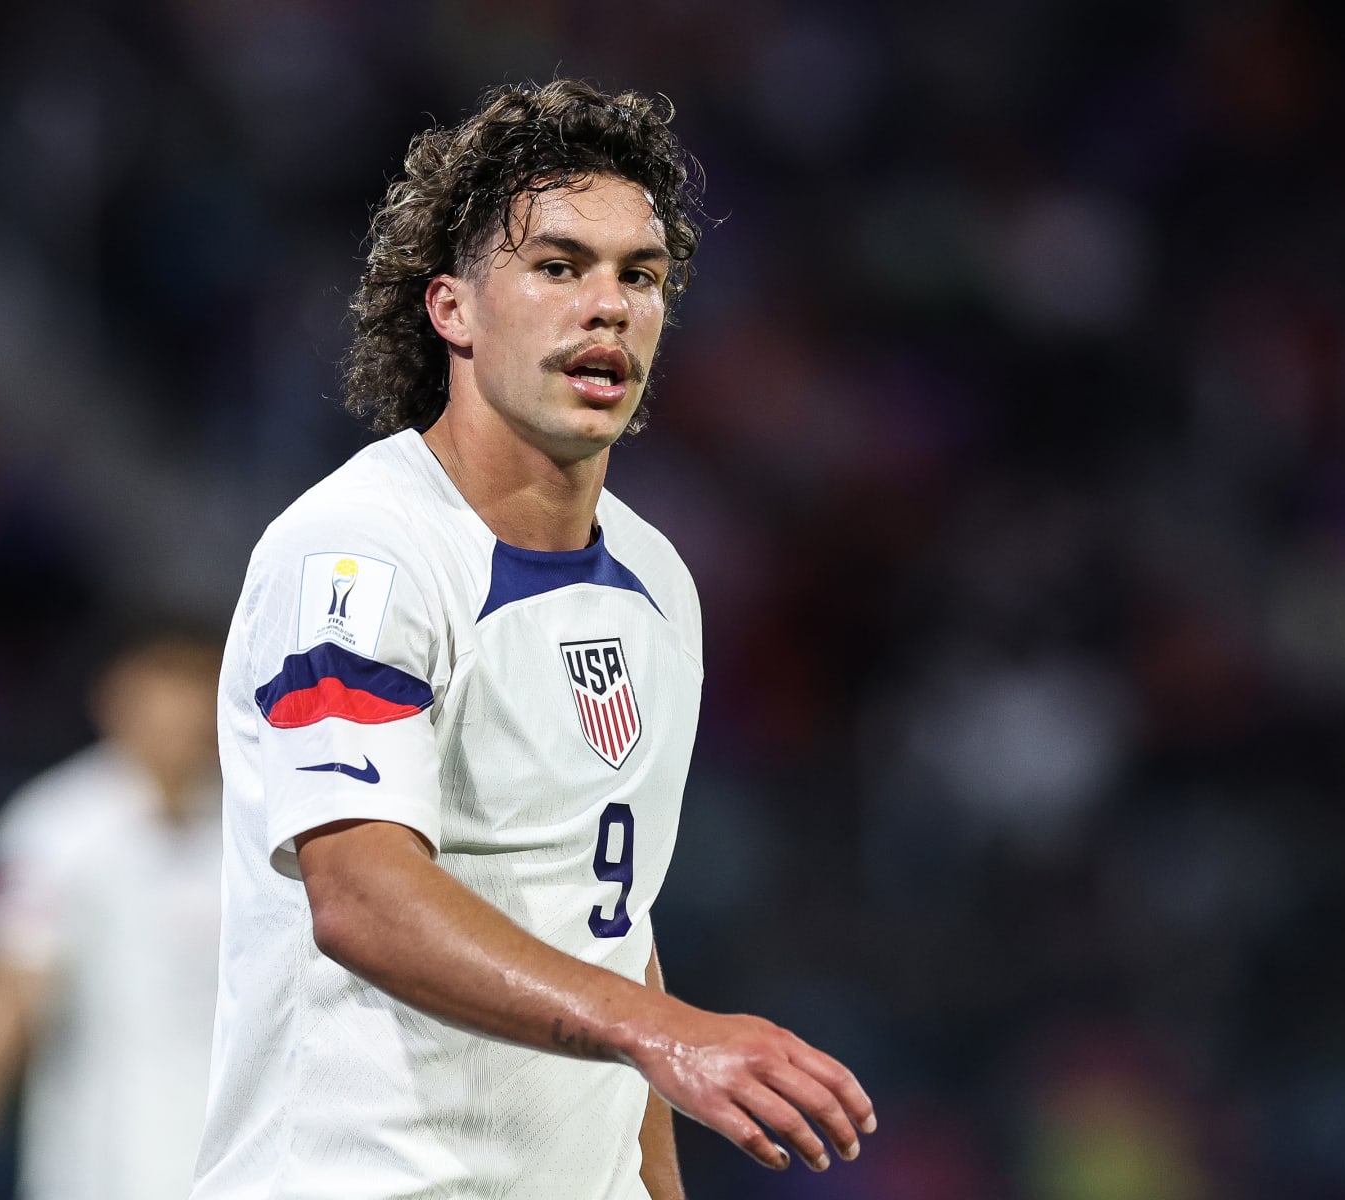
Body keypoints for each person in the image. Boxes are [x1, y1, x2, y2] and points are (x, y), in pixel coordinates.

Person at [193, 80, 875, 1200]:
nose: (608, 306)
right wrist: (664, 1030)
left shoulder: (658, 582)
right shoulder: (359, 555)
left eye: (639, 276)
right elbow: (359, 894)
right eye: (560, 268)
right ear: (452, 310)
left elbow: (614, 912)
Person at [0, 630, 225, 1200]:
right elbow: (13, 965)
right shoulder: (57, 826)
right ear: (117, 700)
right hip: (102, 1166)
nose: (182, 715)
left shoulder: (256, 823)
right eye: (165, 690)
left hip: (239, 1164)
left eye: (198, 689)